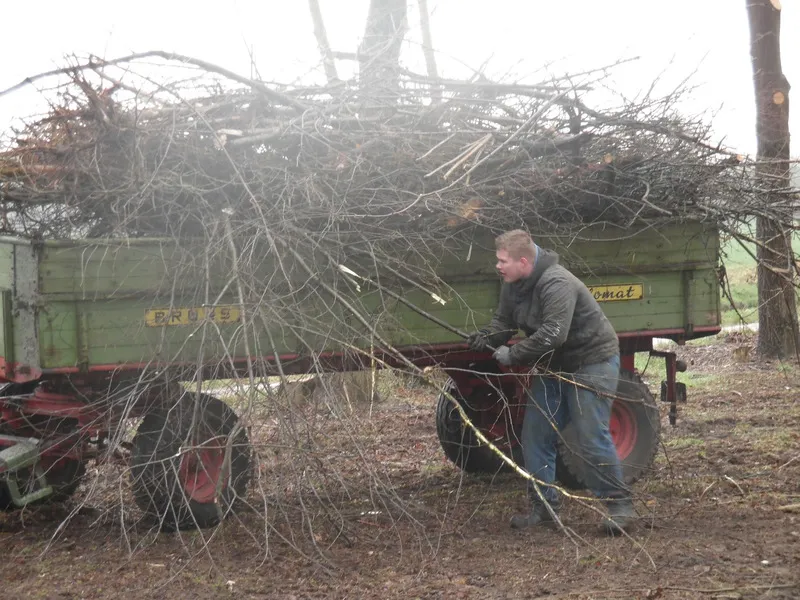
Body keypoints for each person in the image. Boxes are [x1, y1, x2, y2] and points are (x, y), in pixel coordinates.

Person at [467, 229, 636, 535]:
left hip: (591, 362)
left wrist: (513, 354)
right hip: (554, 366)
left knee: (590, 436)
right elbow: (504, 322)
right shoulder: (513, 284)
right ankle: (544, 509)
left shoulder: (556, 283)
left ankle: (620, 506)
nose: (498, 266)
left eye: (503, 261)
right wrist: (487, 338)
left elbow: (553, 334)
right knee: (535, 434)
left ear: (523, 261)